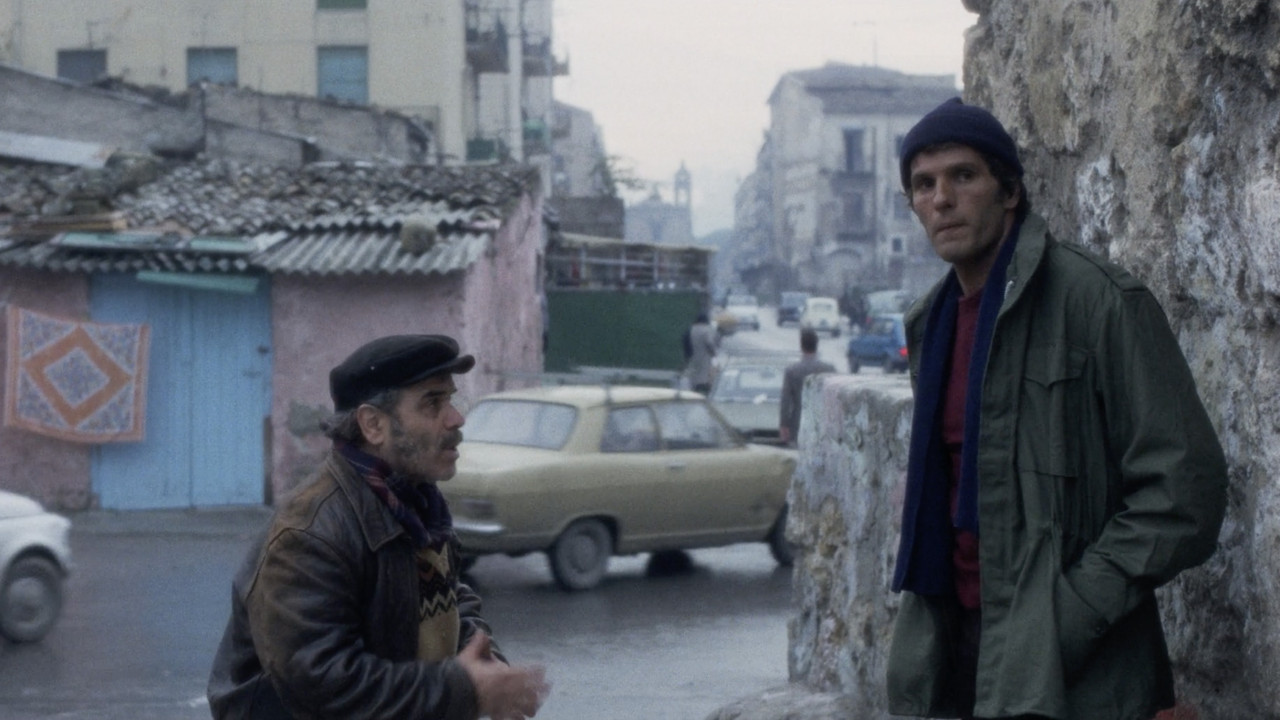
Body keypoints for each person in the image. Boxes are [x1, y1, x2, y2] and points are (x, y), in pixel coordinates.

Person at [886, 97, 1228, 720]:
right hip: (953, 647)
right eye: (924, 184)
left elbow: (1184, 490)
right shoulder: (928, 325)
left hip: (1073, 666)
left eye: (964, 176)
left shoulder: (1097, 302)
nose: (942, 199)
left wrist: (1073, 613)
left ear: (1009, 191)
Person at [208, 334, 549, 720]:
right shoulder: (309, 533)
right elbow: (322, 686)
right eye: (432, 403)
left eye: (451, 399)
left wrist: (484, 662)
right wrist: (462, 688)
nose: (456, 418)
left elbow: (447, 596)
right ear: (372, 425)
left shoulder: (415, 504)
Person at [779, 328, 835, 447]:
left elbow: (786, 401)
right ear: (816, 345)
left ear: (801, 346)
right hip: (823, 423)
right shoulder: (830, 370)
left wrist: (784, 424)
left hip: (798, 423)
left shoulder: (792, 371)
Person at [685, 312, 718, 394]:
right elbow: (709, 343)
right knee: (704, 374)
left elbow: (686, 341)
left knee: (694, 373)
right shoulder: (706, 329)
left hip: (693, 354)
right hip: (704, 356)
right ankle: (703, 390)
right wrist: (713, 353)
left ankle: (693, 389)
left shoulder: (692, 329)